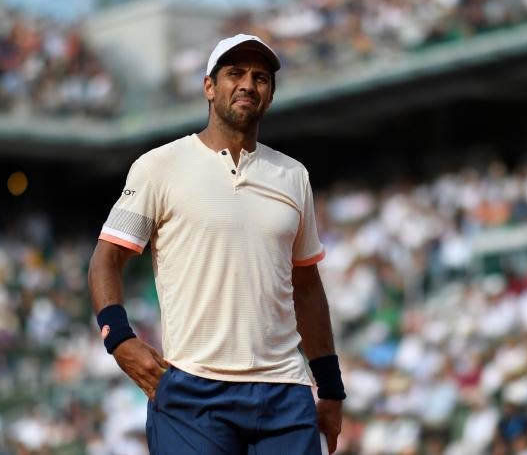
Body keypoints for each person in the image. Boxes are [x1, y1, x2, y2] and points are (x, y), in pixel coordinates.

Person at [88, 34, 345, 454]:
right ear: (209, 87)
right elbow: (106, 259)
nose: (248, 84)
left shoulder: (294, 176)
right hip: (192, 391)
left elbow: (308, 286)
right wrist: (119, 338)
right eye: (234, 73)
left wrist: (330, 387)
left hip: (285, 392)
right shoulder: (158, 166)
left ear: (271, 94)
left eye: (260, 77)